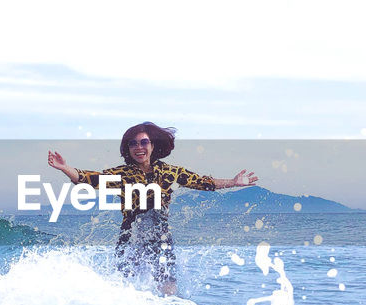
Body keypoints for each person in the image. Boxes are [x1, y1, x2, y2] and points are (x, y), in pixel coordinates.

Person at [47, 122, 256, 295]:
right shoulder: (122, 174)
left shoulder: (170, 172)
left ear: (153, 145)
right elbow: (89, 179)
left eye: (144, 142)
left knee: (168, 285)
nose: (139, 147)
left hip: (160, 234)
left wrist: (233, 182)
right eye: (133, 144)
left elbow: (202, 182)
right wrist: (66, 168)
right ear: (128, 149)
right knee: (127, 286)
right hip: (131, 235)